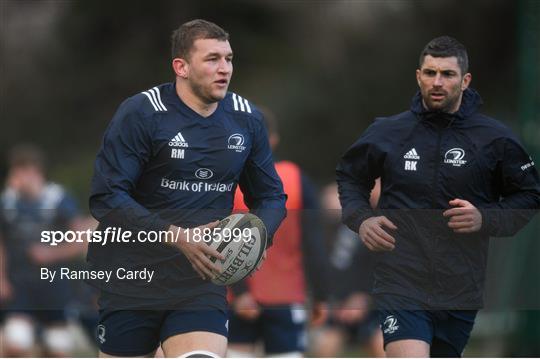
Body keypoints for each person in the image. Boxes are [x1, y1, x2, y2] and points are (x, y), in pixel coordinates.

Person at [88, 19, 286, 358]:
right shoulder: (142, 114)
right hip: (132, 274)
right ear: (181, 66)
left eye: (229, 58)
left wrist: (261, 233)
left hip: (201, 278)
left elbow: (270, 197)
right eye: (212, 59)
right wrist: (176, 235)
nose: (224, 69)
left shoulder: (246, 119)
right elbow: (107, 198)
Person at [336, 36, 540, 357]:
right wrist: (361, 220)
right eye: (430, 73)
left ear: (465, 80)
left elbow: (528, 196)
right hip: (400, 279)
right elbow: (350, 177)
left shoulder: (495, 139)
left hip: (460, 286)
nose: (437, 82)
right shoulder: (388, 132)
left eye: (447, 74)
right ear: (418, 76)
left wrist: (484, 218)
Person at [227, 109, 329, 357]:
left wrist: (240, 294)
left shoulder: (225, 181)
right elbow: (313, 244)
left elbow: (218, 242)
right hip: (285, 297)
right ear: (272, 139)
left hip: (235, 299)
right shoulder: (296, 179)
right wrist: (321, 295)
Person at [0, 144, 84, 357]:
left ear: (34, 172)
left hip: (54, 287)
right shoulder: (8, 203)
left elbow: (81, 239)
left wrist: (51, 253)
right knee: (16, 341)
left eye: (20, 172)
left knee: (58, 349)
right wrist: (1, 278)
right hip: (20, 286)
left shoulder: (58, 200)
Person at [310, 183, 384, 358]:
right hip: (337, 303)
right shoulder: (328, 228)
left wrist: (365, 297)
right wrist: (328, 299)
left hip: (372, 303)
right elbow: (323, 268)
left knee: (383, 344)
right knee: (325, 345)